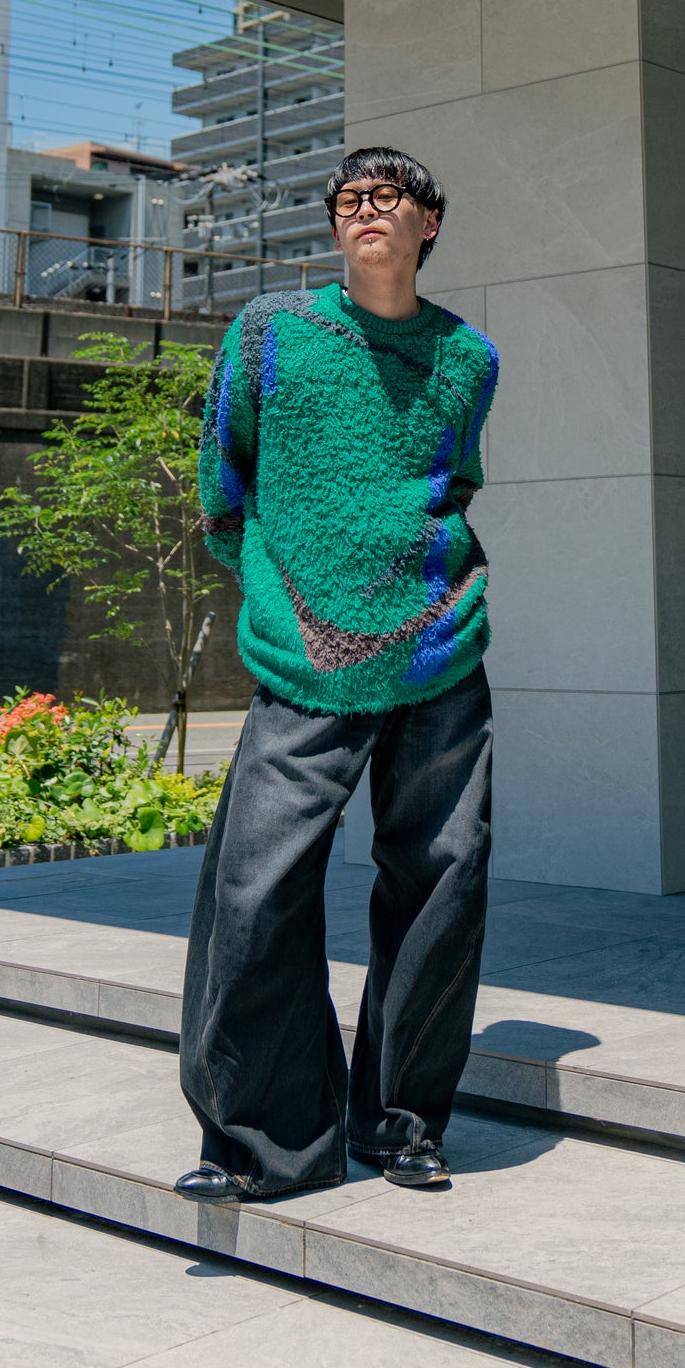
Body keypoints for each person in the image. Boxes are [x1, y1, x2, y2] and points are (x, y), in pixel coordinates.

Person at [175, 146, 499, 1202]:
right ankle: (262, 1144)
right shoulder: (271, 330)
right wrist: (285, 599)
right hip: (301, 659)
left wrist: (414, 591)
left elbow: (453, 480)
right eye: (348, 199)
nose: (365, 210)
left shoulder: (467, 357)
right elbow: (222, 483)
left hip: (439, 651)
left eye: (387, 196)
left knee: (441, 883)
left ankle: (403, 1124)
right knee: (256, 889)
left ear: (427, 222)